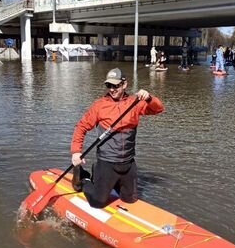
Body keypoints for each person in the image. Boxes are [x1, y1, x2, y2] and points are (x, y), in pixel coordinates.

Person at [70, 68, 164, 209]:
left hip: (128, 163)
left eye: (116, 86)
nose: (112, 89)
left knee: (131, 202)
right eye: (109, 86)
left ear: (124, 85)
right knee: (97, 203)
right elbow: (81, 127)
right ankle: (84, 178)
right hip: (107, 163)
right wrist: (76, 152)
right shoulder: (99, 106)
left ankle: (114, 185)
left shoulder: (135, 103)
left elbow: (158, 109)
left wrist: (149, 98)